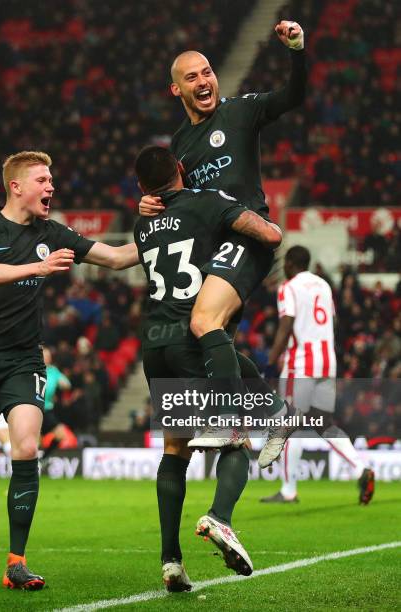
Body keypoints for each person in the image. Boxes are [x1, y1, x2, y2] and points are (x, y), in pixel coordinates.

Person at [0, 151, 138, 589]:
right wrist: (40, 266)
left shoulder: (52, 232)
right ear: (16, 186)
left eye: (52, 179)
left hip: (23, 359)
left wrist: (168, 232)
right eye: (43, 179)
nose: (51, 186)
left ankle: (16, 563)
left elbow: (115, 258)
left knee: (26, 447)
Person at [139, 21, 306, 460]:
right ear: (177, 90)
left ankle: (230, 420)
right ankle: (275, 411)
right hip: (215, 248)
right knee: (214, 342)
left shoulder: (240, 112)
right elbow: (181, 201)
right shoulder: (180, 144)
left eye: (207, 72)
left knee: (201, 323)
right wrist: (151, 206)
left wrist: (297, 51)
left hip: (249, 235)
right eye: (192, 77)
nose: (204, 81)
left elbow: (294, 97)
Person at [133, 145, 281, 590]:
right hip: (193, 337)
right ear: (181, 169)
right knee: (233, 442)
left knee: (174, 451)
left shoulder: (143, 224)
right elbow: (265, 234)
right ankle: (221, 517)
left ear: (143, 189)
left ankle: (171, 561)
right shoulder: (207, 201)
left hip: (154, 344)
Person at [261, 246, 376, 505]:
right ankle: (361, 469)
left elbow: (286, 324)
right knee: (324, 423)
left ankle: (288, 490)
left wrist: (269, 364)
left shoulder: (288, 287)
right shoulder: (323, 285)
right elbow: (333, 322)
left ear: (290, 264)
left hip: (301, 364)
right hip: (327, 362)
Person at [40, 346, 72, 460]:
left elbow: (67, 384)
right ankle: (30, 464)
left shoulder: (53, 371)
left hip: (47, 410)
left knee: (61, 435)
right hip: (34, 409)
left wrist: (63, 384)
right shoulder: (33, 369)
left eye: (49, 356)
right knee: (32, 440)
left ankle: (43, 459)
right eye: (45, 356)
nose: (47, 358)